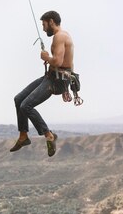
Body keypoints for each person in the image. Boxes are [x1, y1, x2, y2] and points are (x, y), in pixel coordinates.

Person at [10, 11, 75, 157]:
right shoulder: (64, 36)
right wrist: (68, 86)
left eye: (44, 24)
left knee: (25, 105)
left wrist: (47, 57)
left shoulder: (60, 36)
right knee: (18, 99)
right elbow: (68, 62)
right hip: (52, 77)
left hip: (56, 81)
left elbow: (58, 62)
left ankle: (49, 135)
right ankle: (23, 136)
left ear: (51, 21)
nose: (44, 29)